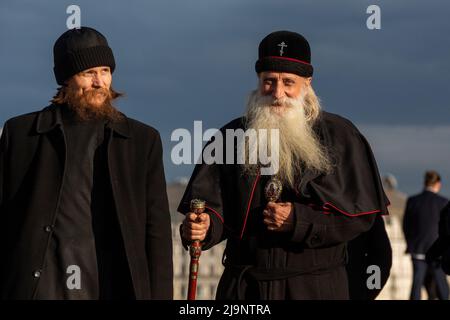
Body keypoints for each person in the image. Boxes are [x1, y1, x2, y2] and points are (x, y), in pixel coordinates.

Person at [178, 30, 389, 300]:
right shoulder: (230, 137)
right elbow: (214, 207)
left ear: (307, 83)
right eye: (269, 81)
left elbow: (359, 218)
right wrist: (204, 225)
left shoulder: (341, 135)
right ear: (258, 82)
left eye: (288, 82)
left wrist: (299, 221)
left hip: (314, 288)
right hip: (244, 289)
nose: (278, 93)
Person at [0, 27, 173, 299]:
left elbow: (157, 235)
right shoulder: (21, 134)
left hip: (112, 286)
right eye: (88, 73)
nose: (99, 82)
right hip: (40, 287)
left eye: (105, 71)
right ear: (66, 79)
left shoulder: (142, 140)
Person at [403, 171, 449, 300]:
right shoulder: (443, 202)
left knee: (417, 284)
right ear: (438, 184)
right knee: (441, 286)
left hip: (417, 249)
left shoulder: (412, 201)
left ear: (425, 182)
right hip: (437, 252)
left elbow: (406, 226)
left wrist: (410, 244)